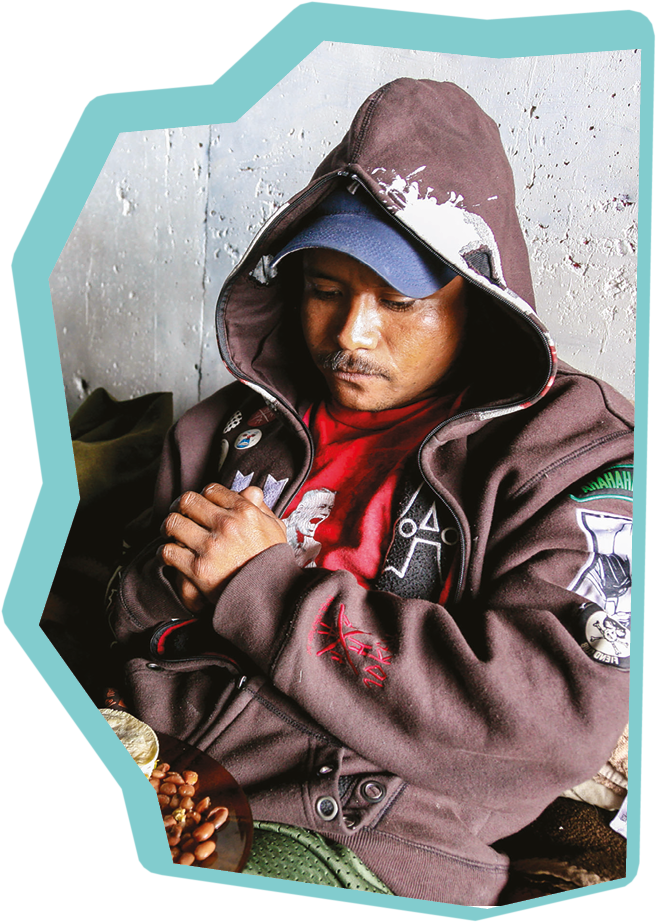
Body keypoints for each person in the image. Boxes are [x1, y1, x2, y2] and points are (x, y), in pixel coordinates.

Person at [110, 79, 633, 905]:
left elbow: (552, 723)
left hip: (354, 833)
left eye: (399, 300)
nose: (350, 334)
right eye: (324, 289)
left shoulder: (572, 455)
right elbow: (123, 604)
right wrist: (157, 583)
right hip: (150, 775)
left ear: (483, 302)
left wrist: (259, 588)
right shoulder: (235, 425)